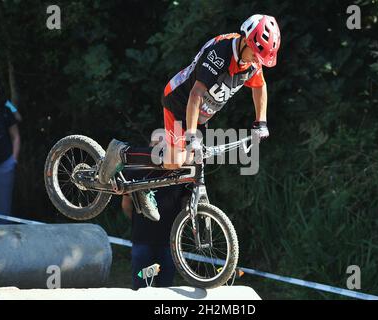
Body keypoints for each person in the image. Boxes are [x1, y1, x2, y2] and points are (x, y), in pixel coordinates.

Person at [98, 14, 281, 208]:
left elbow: (259, 86)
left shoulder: (252, 63)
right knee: (176, 160)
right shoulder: (220, 54)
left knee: (191, 158)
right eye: (255, 54)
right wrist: (191, 135)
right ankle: (121, 153)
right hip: (180, 103)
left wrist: (261, 122)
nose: (257, 61)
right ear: (245, 40)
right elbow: (195, 95)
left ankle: (143, 184)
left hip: (201, 113)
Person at [121, 171, 189, 290]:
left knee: (163, 287)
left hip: (166, 243)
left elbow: (186, 204)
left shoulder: (182, 171)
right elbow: (126, 204)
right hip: (146, 242)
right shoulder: (136, 171)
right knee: (142, 285)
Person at [0, 77, 21, 224]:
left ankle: (2, 240)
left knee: (2, 207)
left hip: (3, 164)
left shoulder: (6, 110)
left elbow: (16, 133)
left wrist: (13, 160)